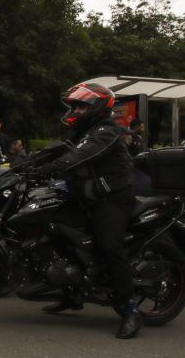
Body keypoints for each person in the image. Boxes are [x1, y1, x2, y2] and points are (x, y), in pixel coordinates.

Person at [35, 82, 141, 340]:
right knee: (56, 229)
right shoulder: (81, 130)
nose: (76, 110)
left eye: (81, 105)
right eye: (75, 105)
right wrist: (26, 164)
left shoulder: (106, 132)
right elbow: (57, 150)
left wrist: (51, 168)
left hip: (111, 198)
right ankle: (71, 294)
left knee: (109, 245)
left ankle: (129, 310)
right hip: (85, 197)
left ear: (95, 108)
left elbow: (80, 156)